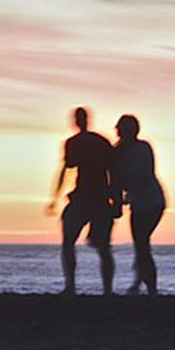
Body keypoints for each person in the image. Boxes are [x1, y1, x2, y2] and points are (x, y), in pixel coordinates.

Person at [45, 107, 116, 296]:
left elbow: (112, 171)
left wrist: (115, 200)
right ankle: (75, 286)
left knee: (97, 246)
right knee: (78, 243)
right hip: (88, 197)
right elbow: (67, 169)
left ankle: (91, 288)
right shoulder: (92, 142)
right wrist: (55, 197)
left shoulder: (87, 142)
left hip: (95, 198)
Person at [110, 114, 166, 296]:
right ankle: (141, 283)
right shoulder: (117, 152)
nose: (117, 130)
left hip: (151, 201)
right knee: (141, 244)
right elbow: (116, 180)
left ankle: (149, 287)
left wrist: (121, 197)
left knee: (142, 244)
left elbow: (142, 175)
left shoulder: (141, 148)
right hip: (140, 202)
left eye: (120, 127)